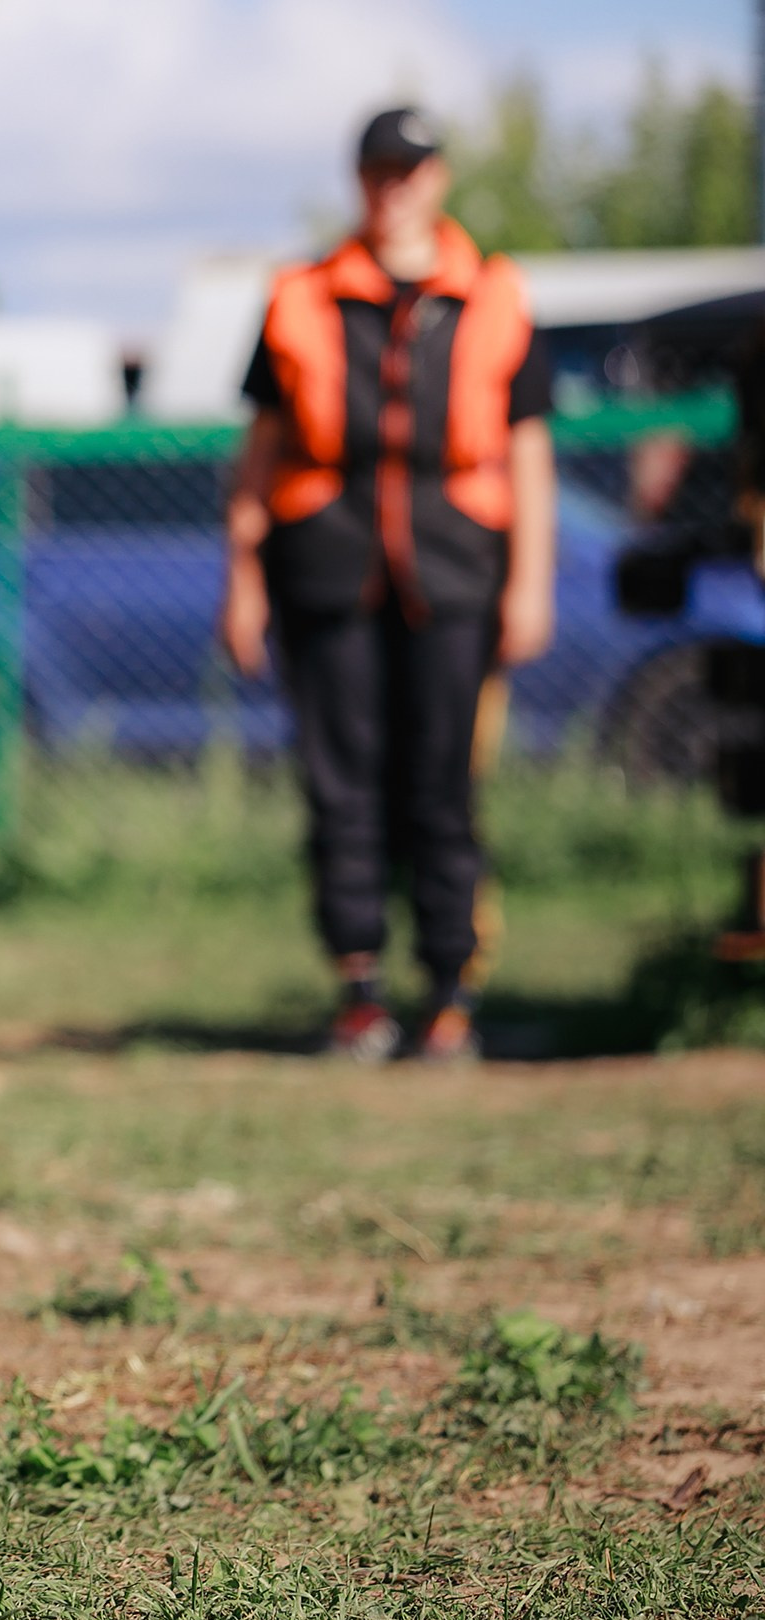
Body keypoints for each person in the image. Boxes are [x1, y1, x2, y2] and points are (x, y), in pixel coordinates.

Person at [220, 108, 556, 1063]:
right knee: (342, 786)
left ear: (441, 177)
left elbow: (528, 451)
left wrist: (531, 583)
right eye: (377, 168)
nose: (394, 185)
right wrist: (242, 579)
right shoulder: (300, 296)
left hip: (454, 575)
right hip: (327, 572)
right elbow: (261, 455)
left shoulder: (492, 294)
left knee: (443, 785)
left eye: (411, 168)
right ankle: (359, 989)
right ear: (357, 179)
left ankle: (451, 990)